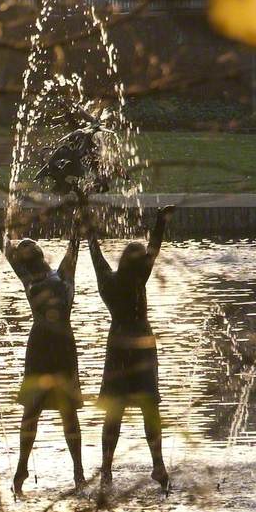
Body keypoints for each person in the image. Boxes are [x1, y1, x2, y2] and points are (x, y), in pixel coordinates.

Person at [0, 202, 85, 496]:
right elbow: (8, 251)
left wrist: (80, 209)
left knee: (52, 412)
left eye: (26, 250)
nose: (25, 253)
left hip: (51, 347)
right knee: (47, 411)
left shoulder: (48, 278)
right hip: (51, 346)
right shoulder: (47, 278)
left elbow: (73, 244)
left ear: (35, 257)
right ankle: (47, 468)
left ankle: (65, 470)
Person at [88, 205, 173, 490]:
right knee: (150, 407)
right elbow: (154, 248)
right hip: (143, 345)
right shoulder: (140, 278)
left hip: (118, 347)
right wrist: (160, 220)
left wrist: (85, 222)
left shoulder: (108, 283)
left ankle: (107, 470)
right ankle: (158, 465)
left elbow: (96, 254)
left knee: (114, 410)